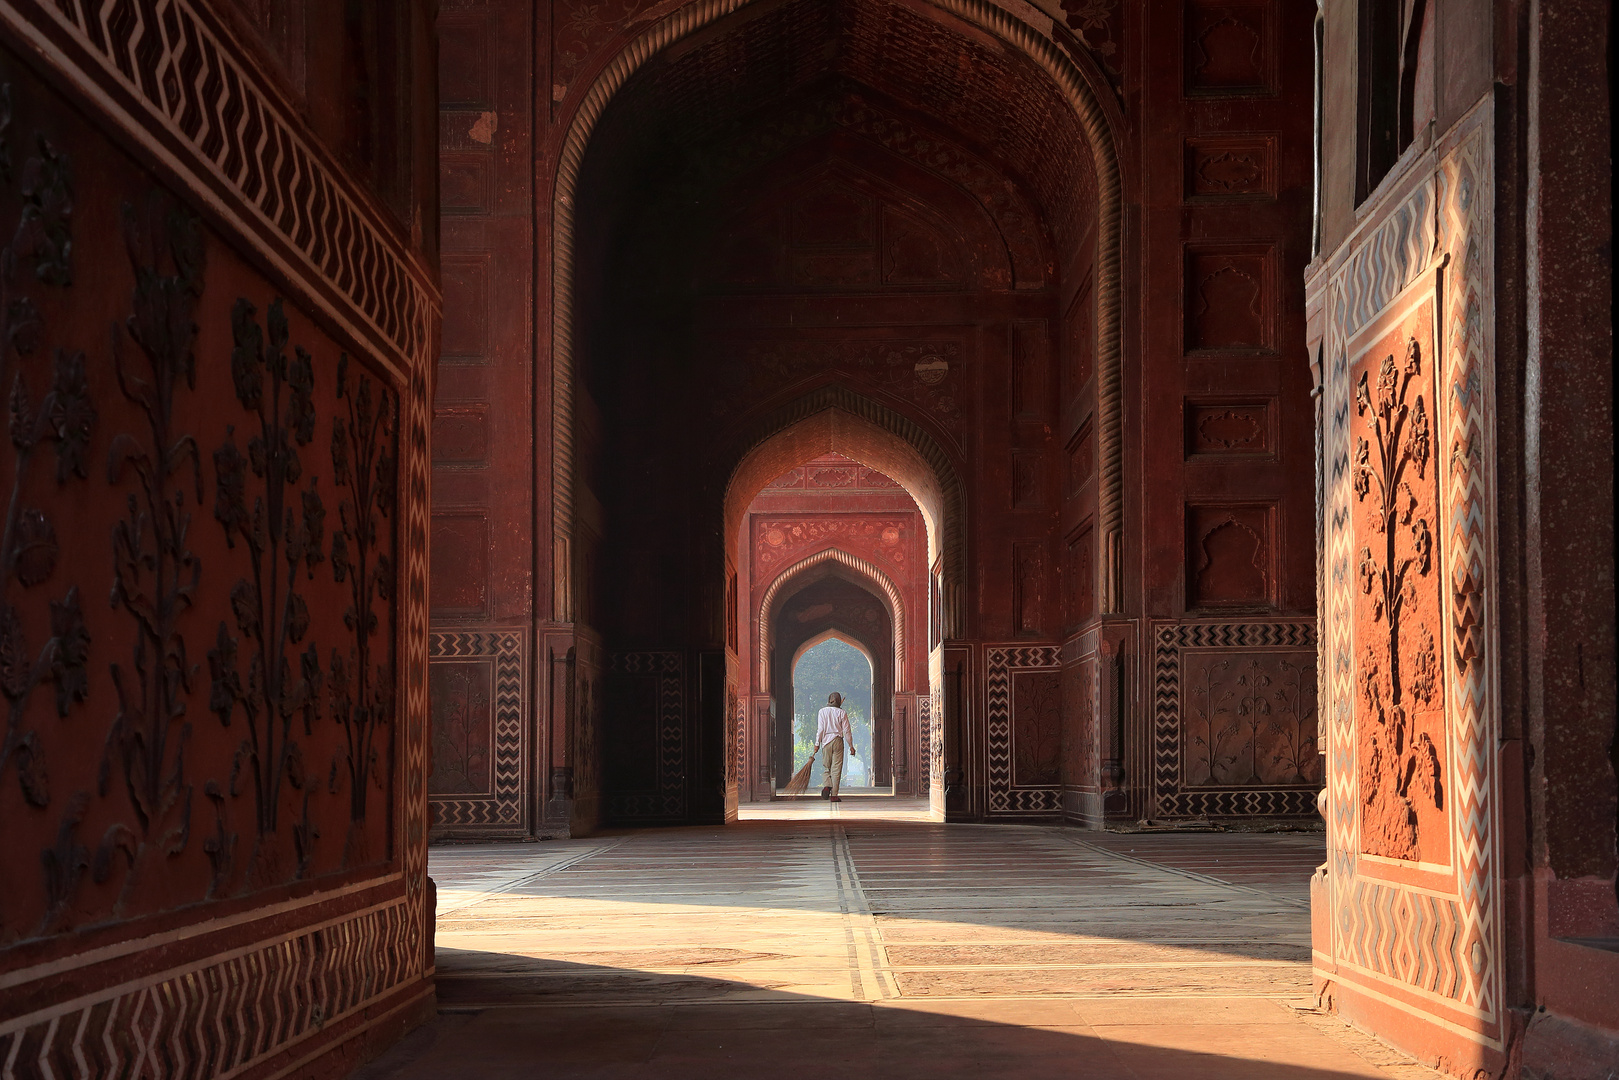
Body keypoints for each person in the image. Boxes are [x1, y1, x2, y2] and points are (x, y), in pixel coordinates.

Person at [812, 692, 856, 802]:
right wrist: (851, 746)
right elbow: (847, 731)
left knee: (827, 767)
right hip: (838, 741)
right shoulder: (842, 713)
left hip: (826, 742)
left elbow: (820, 729)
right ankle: (834, 795)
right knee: (836, 769)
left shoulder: (822, 712)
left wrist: (817, 744)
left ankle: (827, 786)